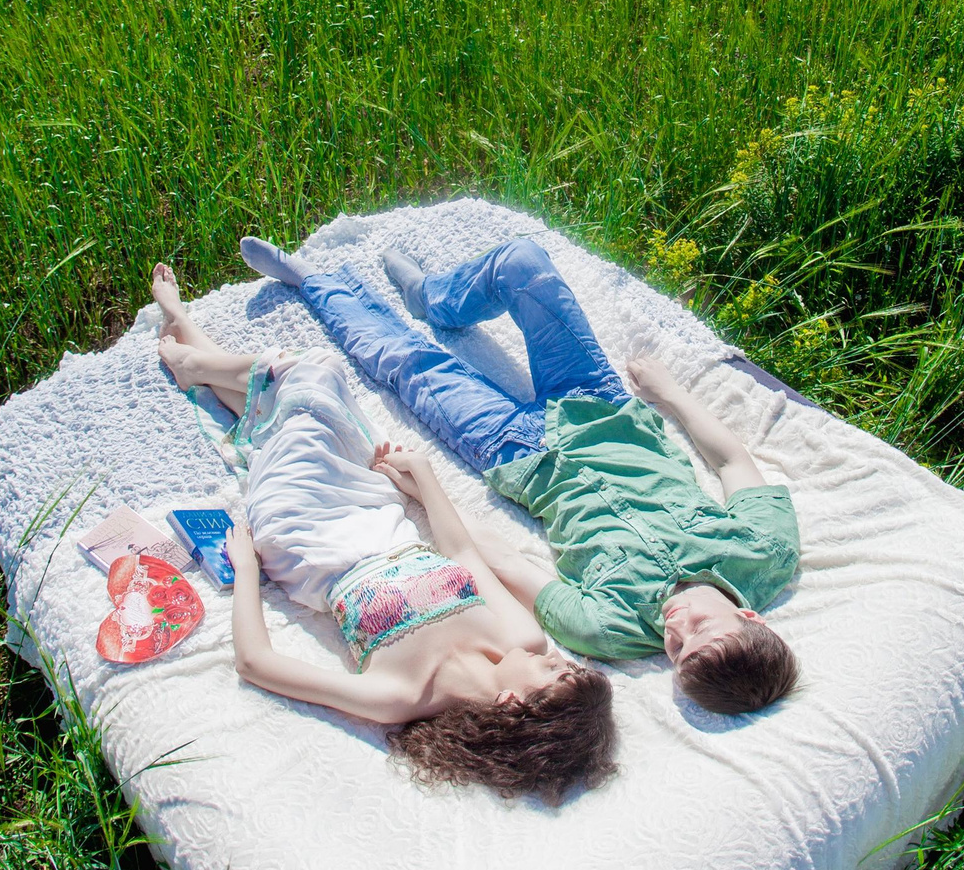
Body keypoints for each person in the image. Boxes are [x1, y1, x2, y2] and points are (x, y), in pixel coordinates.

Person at [237, 234, 801, 715]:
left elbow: (499, 563)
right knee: (523, 264)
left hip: (515, 453)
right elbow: (731, 462)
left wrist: (420, 494)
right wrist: (669, 393)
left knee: (404, 362)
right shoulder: (764, 551)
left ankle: (314, 282)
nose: (675, 629)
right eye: (700, 629)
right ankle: (436, 296)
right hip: (599, 405)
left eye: (677, 651)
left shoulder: (605, 630)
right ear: (748, 616)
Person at [147, 263, 616, 802]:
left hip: (308, 538)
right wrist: (425, 480)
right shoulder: (521, 639)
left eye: (556, 675)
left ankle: (189, 349)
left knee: (315, 378)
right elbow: (462, 552)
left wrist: (248, 570)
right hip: (380, 517)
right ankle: (189, 342)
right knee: (298, 410)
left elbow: (257, 664)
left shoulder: (401, 696)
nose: (558, 657)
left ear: (512, 703)